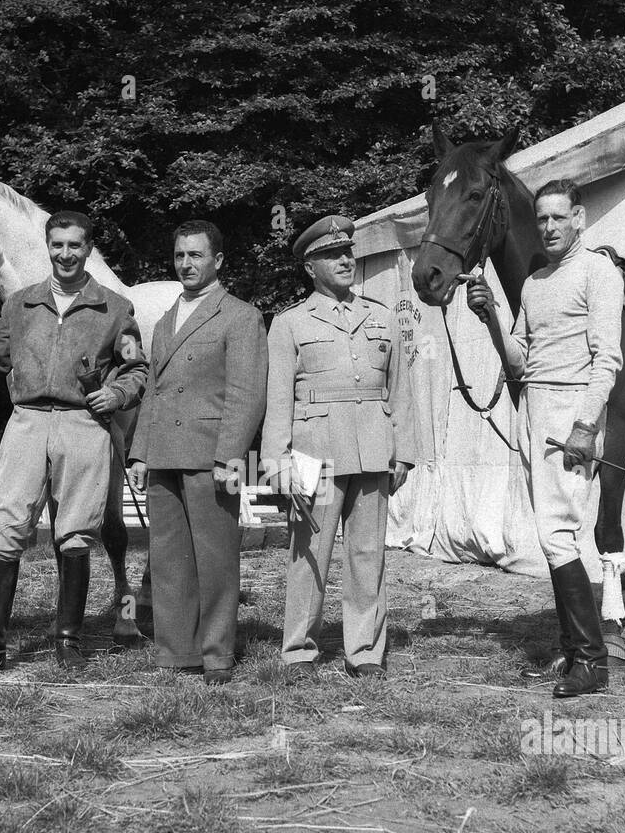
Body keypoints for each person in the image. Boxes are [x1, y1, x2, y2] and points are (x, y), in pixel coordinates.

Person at [0, 211, 147, 676]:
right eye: (58, 245)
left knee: (77, 531)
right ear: (48, 247)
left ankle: (68, 640)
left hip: (83, 425)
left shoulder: (115, 308)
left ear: (88, 249)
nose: (66, 254)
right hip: (25, 423)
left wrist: (118, 393)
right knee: (6, 529)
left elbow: (136, 369)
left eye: (75, 246)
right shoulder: (19, 305)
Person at [466, 179, 624, 697]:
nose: (550, 228)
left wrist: (585, 424)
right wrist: (490, 314)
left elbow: (608, 360)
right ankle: (573, 649)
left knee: (557, 533)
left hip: (572, 413)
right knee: (552, 534)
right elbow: (518, 358)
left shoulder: (598, 272)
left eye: (560, 217)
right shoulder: (534, 283)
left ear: (579, 217)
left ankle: (593, 661)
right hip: (533, 408)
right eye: (543, 220)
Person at [262, 215, 417, 683]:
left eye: (348, 251)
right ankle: (298, 650)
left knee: (368, 553)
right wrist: (277, 461)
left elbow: (401, 390)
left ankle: (365, 650)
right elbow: (277, 401)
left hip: (373, 448)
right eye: (333, 255)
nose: (346, 260)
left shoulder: (381, 316)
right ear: (310, 266)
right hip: (314, 454)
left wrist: (403, 452)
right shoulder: (289, 324)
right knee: (309, 553)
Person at [128, 221, 268, 684]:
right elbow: (154, 390)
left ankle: (216, 654)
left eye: (196, 256)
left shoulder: (241, 316)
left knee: (215, 559)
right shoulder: (167, 318)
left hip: (211, 455)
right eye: (180, 256)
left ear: (218, 261)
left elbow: (247, 394)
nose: (186, 264)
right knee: (167, 559)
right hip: (164, 452)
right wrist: (140, 453)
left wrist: (231, 456)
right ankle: (176, 651)